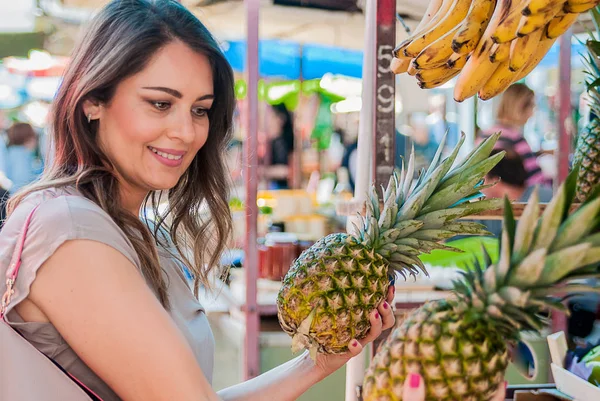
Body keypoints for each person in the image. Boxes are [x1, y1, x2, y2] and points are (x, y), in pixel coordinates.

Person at [0, 2, 399, 401]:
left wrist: (316, 363)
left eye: (200, 110)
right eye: (160, 103)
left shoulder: (130, 230)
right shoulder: (71, 232)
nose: (186, 132)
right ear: (93, 101)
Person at [480, 82, 552, 188]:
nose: (532, 114)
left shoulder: (485, 134)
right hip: (517, 198)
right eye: (532, 106)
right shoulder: (515, 138)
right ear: (520, 106)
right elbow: (536, 180)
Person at [4, 122, 42, 192]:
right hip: (24, 196)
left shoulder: (13, 152)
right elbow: (22, 180)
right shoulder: (20, 155)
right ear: (27, 138)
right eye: (33, 135)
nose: (35, 139)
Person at [264, 103, 294, 189]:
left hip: (280, 189)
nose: (268, 120)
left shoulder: (281, 142)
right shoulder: (274, 141)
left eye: (271, 116)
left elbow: (285, 171)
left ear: (280, 119)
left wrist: (263, 171)